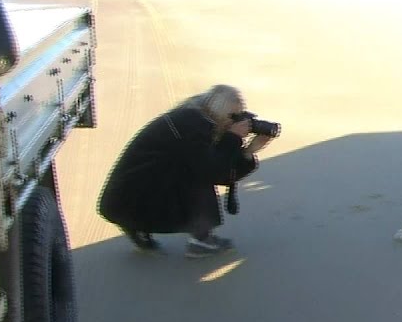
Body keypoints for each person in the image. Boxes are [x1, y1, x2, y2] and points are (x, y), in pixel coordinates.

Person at [97, 84, 274, 258]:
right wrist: (233, 137)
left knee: (190, 169)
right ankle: (201, 241)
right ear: (218, 110)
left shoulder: (195, 118)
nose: (236, 121)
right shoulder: (191, 124)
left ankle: (137, 226)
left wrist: (248, 152)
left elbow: (222, 170)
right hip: (128, 197)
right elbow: (211, 170)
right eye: (233, 116)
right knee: (196, 175)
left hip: (126, 198)